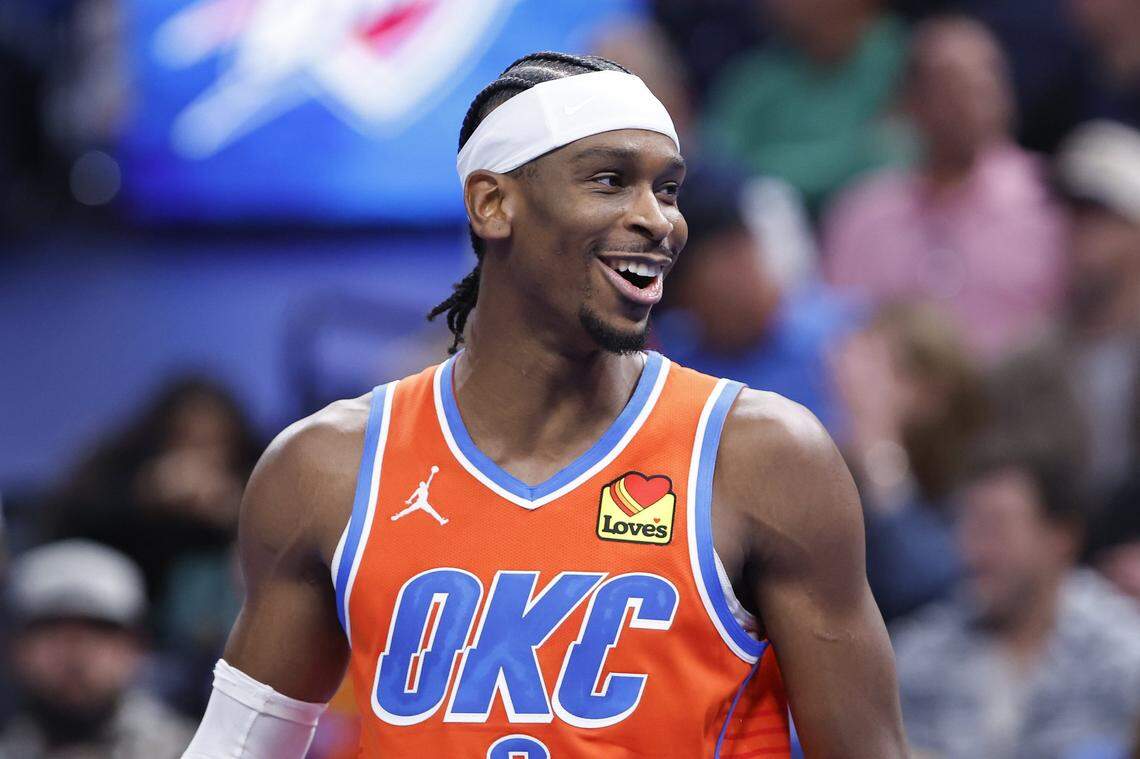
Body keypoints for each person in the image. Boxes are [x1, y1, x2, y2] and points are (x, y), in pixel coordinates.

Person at [182, 52, 907, 758]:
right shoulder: (327, 470)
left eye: (668, 189)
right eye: (611, 180)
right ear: (493, 204)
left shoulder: (763, 457)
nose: (659, 220)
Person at [824, 15, 1066, 360]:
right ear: (911, 103)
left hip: (1021, 405)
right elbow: (843, 338)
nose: (970, 100)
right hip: (901, 408)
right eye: (950, 84)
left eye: (986, 81)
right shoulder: (863, 217)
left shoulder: (1051, 199)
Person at [892, 443, 1140, 758]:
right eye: (968, 525)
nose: (975, 550)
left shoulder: (1125, 656)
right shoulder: (916, 658)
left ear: (1061, 536)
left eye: (996, 528)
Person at [831, 301, 985, 621]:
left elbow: (927, 584)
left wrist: (880, 450)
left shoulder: (974, 475)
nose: (867, 392)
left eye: (889, 375)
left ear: (934, 392)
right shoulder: (832, 466)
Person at [702, 0, 909, 212]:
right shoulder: (756, 76)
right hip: (766, 221)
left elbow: (889, 154)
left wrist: (765, 169)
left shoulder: (905, 61)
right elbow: (716, 164)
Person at [0, 540, 194, 758]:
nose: (73, 655)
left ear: (136, 647)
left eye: (97, 634)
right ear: (17, 649)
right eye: (53, 634)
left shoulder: (188, 750)